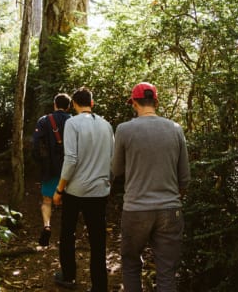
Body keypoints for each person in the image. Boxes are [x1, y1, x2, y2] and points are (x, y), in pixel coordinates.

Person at [111, 82, 191, 292]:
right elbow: (185, 177)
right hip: (170, 209)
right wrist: (173, 199)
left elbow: (116, 169)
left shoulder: (124, 129)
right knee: (166, 271)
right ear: (156, 102)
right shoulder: (175, 128)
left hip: (136, 208)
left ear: (134, 103)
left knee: (130, 264)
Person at [52, 87, 114, 292]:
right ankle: (99, 285)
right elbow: (112, 159)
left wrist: (59, 190)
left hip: (75, 190)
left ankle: (68, 276)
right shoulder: (106, 125)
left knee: (68, 234)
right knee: (98, 240)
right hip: (99, 191)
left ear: (74, 105)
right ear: (92, 103)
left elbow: (70, 159)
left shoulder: (72, 123)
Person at [32, 93, 72, 247]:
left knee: (47, 200)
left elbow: (36, 144)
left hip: (49, 167)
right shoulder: (73, 121)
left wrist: (41, 163)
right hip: (69, 168)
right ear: (68, 106)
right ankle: (66, 232)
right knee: (68, 201)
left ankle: (47, 226)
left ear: (55, 104)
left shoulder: (44, 120)